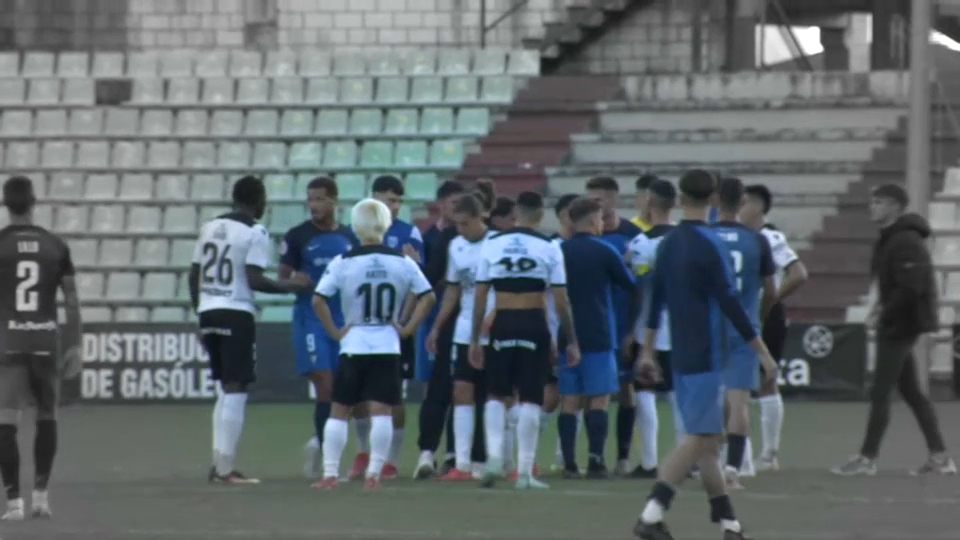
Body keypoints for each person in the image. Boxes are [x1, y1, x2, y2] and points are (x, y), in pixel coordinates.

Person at [632, 169, 777, 540]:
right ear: (713, 200)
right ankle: (652, 513)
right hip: (708, 352)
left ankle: (729, 524)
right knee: (700, 437)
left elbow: (656, 303)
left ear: (681, 199)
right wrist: (762, 352)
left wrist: (647, 351)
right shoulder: (710, 244)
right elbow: (731, 303)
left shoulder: (668, 244)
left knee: (709, 445)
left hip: (680, 350)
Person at [831, 184, 956, 476]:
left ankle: (867, 458)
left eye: (879, 202)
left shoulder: (905, 241)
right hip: (898, 321)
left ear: (895, 207)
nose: (872, 207)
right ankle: (939, 456)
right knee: (911, 391)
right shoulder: (892, 239)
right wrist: (880, 307)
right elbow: (894, 284)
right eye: (872, 201)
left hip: (901, 324)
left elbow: (911, 288)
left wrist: (883, 313)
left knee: (881, 390)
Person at [312, 198, 436, 490]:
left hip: (354, 342)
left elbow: (318, 299)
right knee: (382, 411)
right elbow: (428, 296)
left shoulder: (344, 262)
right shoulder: (402, 262)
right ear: (386, 225)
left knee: (340, 410)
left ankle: (330, 474)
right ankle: (374, 475)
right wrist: (407, 329)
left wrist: (335, 331)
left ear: (356, 227)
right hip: (387, 344)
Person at [192, 176, 308, 485]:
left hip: (208, 310)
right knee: (237, 387)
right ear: (257, 200)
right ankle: (225, 469)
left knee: (224, 387)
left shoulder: (208, 227)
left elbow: (194, 274)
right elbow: (254, 279)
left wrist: (199, 309)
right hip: (235, 311)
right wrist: (290, 286)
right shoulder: (255, 231)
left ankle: (219, 463)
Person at [471, 192, 580, 490]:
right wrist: (570, 340)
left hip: (502, 321)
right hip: (533, 322)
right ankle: (524, 473)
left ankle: (494, 458)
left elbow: (480, 295)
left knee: (496, 394)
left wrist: (475, 338)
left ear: (516, 213)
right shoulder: (549, 246)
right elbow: (561, 300)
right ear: (541, 215)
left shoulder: (492, 244)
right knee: (531, 397)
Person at [0, 176, 81, 521]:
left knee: (6, 420)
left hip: (10, 342)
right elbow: (72, 300)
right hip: (46, 340)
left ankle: (13, 503)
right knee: (47, 416)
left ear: (6, 205)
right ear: (34, 203)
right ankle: (41, 498)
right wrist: (75, 344)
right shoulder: (55, 246)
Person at [279, 177, 356, 481]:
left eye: (320, 199)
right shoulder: (298, 236)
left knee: (343, 391)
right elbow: (283, 277)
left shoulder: (349, 237)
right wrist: (293, 282)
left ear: (334, 201)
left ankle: (319, 443)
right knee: (325, 384)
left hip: (341, 319)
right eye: (311, 199)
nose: (314, 205)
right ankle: (329, 462)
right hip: (310, 319)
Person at [348, 175, 425, 480]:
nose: (394, 206)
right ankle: (363, 452)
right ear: (375, 199)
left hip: (394, 328)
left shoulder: (408, 233)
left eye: (398, 201)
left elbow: (417, 284)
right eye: (389, 200)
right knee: (356, 395)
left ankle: (391, 459)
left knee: (394, 395)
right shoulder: (357, 232)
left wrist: (403, 321)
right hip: (361, 327)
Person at [556, 198, 636, 479]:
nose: (602, 224)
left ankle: (569, 464)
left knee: (570, 399)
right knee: (599, 398)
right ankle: (596, 460)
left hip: (566, 334)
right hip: (599, 332)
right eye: (600, 219)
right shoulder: (605, 251)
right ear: (592, 220)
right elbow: (630, 285)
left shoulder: (559, 251)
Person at [711, 178, 777, 489]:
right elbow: (771, 291)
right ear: (741, 203)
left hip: (707, 328)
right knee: (739, 402)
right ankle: (732, 470)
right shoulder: (757, 241)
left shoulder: (703, 237)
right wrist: (757, 319)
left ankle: (703, 461)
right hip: (744, 330)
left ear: (715, 201)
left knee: (706, 398)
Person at [739, 184, 808, 471]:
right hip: (746, 313)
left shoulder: (769, 237)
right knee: (750, 383)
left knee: (760, 382)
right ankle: (755, 455)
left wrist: (770, 300)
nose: (739, 208)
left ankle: (764, 456)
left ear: (757, 207)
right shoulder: (742, 236)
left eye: (744, 203)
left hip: (763, 315)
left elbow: (798, 273)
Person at [427, 194, 496, 480]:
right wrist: (437, 326)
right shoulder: (456, 245)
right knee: (461, 392)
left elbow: (508, 288)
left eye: (465, 223)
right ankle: (463, 464)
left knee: (494, 396)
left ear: (481, 218)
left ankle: (491, 459)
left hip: (494, 329)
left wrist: (493, 317)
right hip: (465, 329)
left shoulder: (498, 244)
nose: (461, 229)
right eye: (457, 224)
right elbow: (453, 289)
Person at [585, 176, 643, 475]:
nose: (594, 206)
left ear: (614, 200)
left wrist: (633, 330)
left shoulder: (632, 236)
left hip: (622, 325)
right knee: (591, 393)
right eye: (590, 200)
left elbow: (639, 287)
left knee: (626, 389)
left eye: (598, 200)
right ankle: (592, 456)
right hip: (594, 324)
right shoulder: (583, 236)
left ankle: (623, 457)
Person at [625, 179, 682, 480]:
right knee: (678, 394)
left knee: (645, 391)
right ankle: (687, 460)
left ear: (649, 203)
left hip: (648, 328)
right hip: (683, 328)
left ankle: (649, 462)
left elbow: (635, 283)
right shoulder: (688, 240)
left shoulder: (641, 244)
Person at [416, 180, 465, 476]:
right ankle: (427, 452)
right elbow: (425, 283)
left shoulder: (466, 237)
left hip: (465, 324)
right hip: (437, 322)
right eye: (454, 203)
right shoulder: (432, 239)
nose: (458, 209)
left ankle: (453, 453)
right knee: (437, 388)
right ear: (442, 204)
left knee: (463, 390)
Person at [547, 193, 579, 471]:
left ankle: (563, 454)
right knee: (548, 397)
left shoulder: (586, 247)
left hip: (578, 333)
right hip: (551, 330)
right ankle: (524, 456)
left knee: (574, 396)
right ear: (561, 216)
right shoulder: (551, 248)